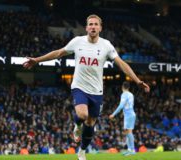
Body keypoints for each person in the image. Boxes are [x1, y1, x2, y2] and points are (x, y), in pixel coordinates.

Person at [22, 14, 150, 160]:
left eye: (96, 24)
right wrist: (37, 60)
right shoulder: (77, 42)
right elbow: (59, 53)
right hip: (79, 86)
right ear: (86, 27)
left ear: (100, 28)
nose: (93, 26)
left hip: (96, 91)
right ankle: (77, 126)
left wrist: (137, 80)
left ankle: (82, 150)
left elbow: (121, 64)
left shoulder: (106, 45)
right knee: (83, 115)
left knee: (90, 124)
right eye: (90, 24)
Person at [109, 81, 136, 156]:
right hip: (130, 114)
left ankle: (132, 150)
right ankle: (129, 149)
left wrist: (113, 114)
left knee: (129, 132)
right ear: (129, 87)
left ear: (122, 87)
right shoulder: (131, 94)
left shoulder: (124, 94)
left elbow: (121, 106)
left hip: (129, 115)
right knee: (127, 132)